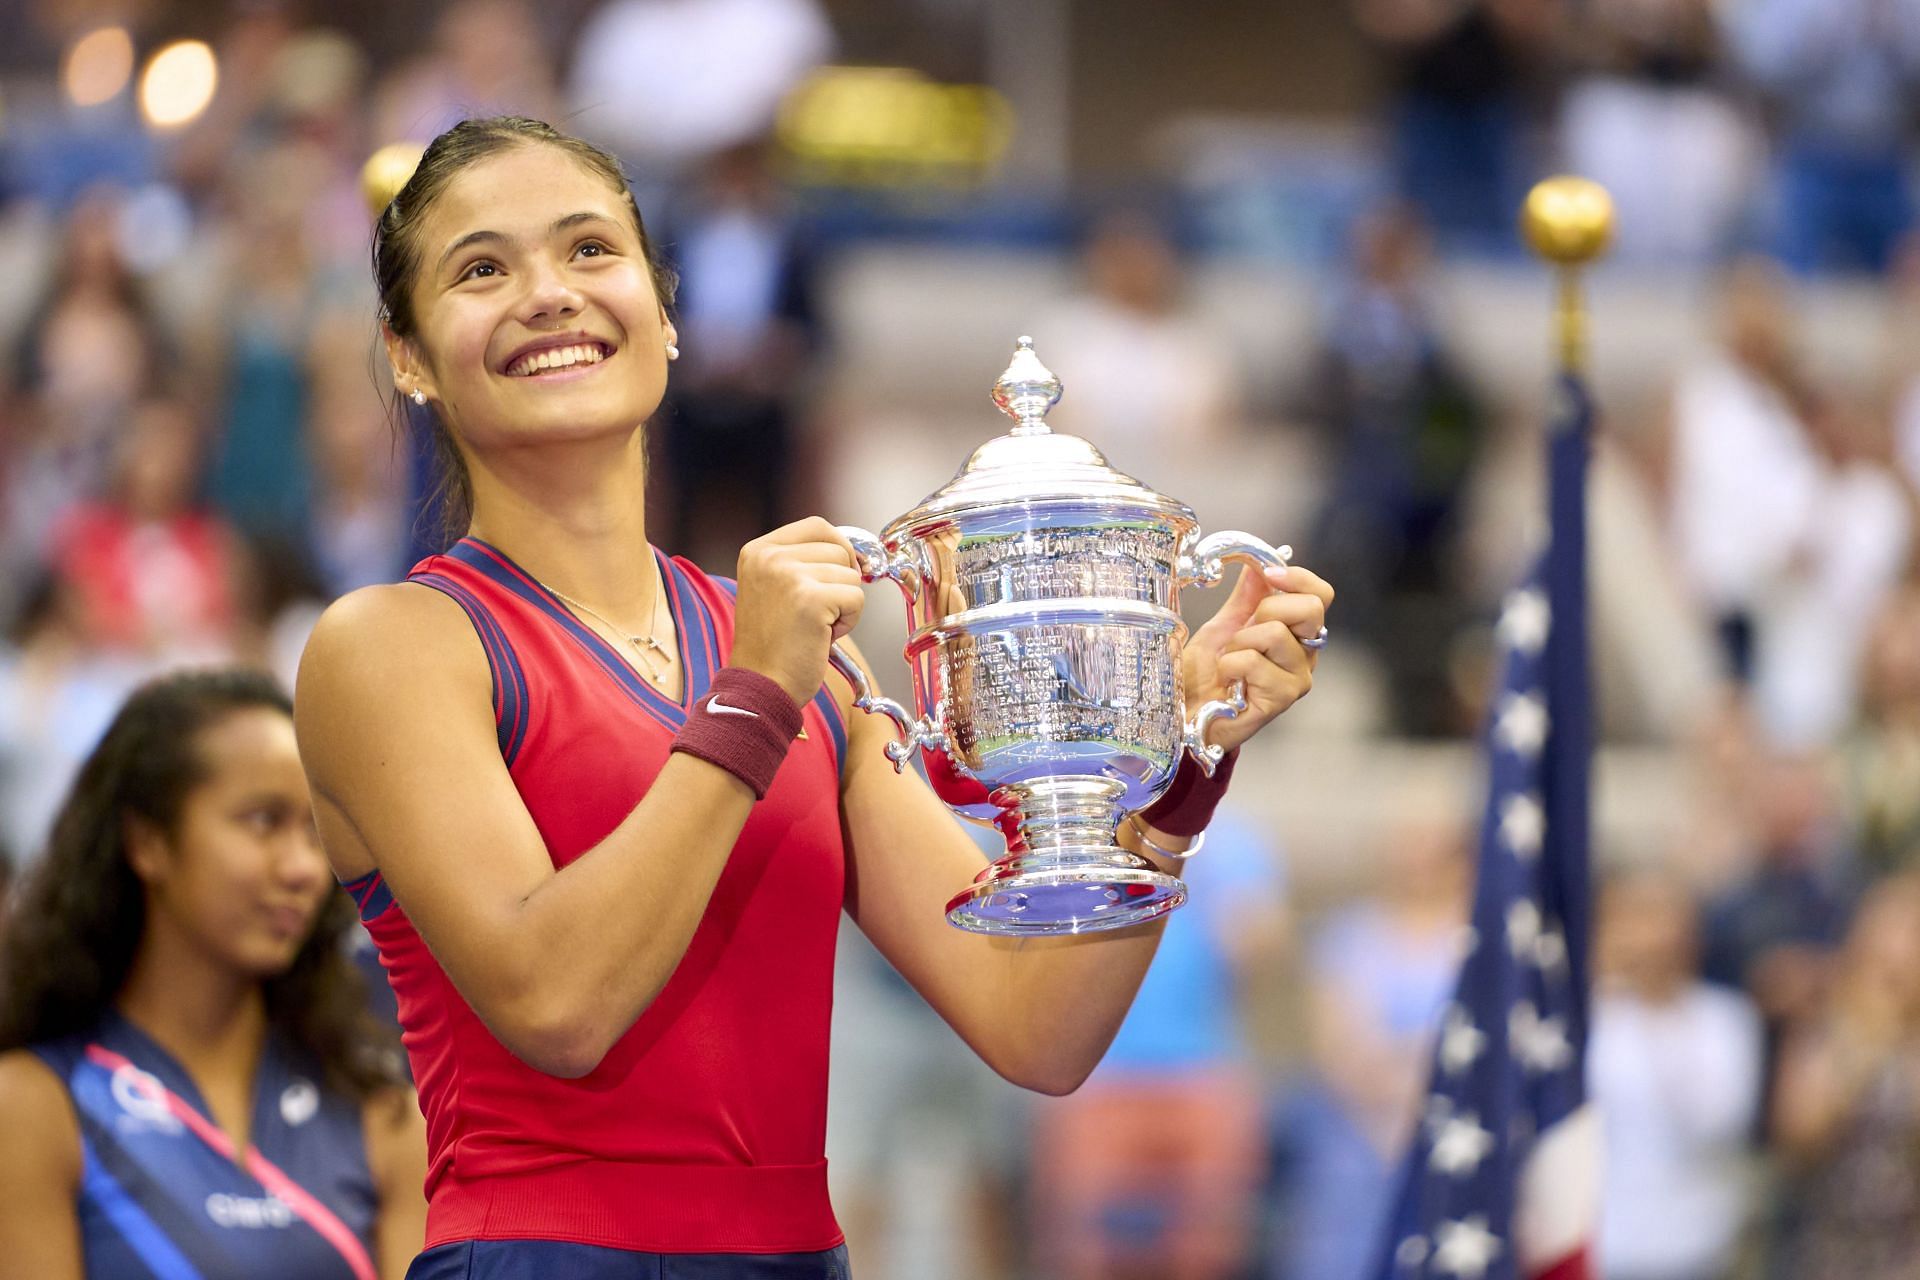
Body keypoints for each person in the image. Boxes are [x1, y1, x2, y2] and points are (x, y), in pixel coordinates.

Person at [293, 115, 1334, 1277]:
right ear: (408, 353)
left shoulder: (802, 658)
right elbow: (557, 1002)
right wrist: (754, 693)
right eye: (482, 268)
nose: (549, 294)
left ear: (667, 310)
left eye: (591, 250)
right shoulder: (390, 644)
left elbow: (1037, 1023)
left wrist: (1180, 757)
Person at [0, 667, 427, 1278]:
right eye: (263, 821)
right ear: (146, 841)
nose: (303, 867)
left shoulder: (383, 1114)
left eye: (315, 831)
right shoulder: (35, 1107)